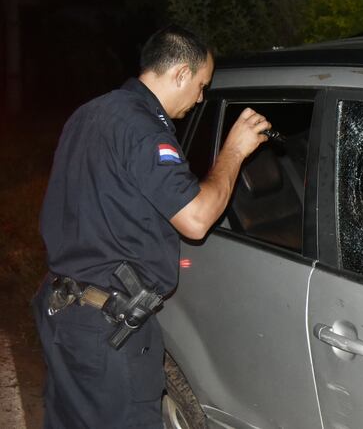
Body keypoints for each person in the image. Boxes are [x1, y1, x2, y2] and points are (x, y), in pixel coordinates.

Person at [32, 25, 271, 428]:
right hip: (106, 330)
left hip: (63, 313)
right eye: (201, 85)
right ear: (180, 73)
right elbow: (195, 220)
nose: (201, 98)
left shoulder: (89, 113)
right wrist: (234, 150)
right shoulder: (142, 129)